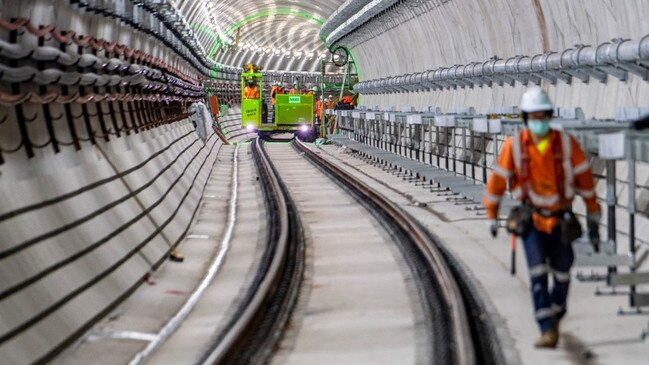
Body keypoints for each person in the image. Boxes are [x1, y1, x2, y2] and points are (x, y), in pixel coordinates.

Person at [483, 87, 601, 348]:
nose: (539, 121)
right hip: (532, 220)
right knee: (537, 274)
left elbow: (585, 182)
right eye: (533, 116)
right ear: (526, 119)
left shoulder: (566, 144)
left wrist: (593, 215)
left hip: (561, 220)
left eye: (543, 115)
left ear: (549, 115)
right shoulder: (513, 147)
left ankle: (555, 312)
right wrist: (491, 214)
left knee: (562, 272)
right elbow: (497, 182)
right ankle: (547, 329)